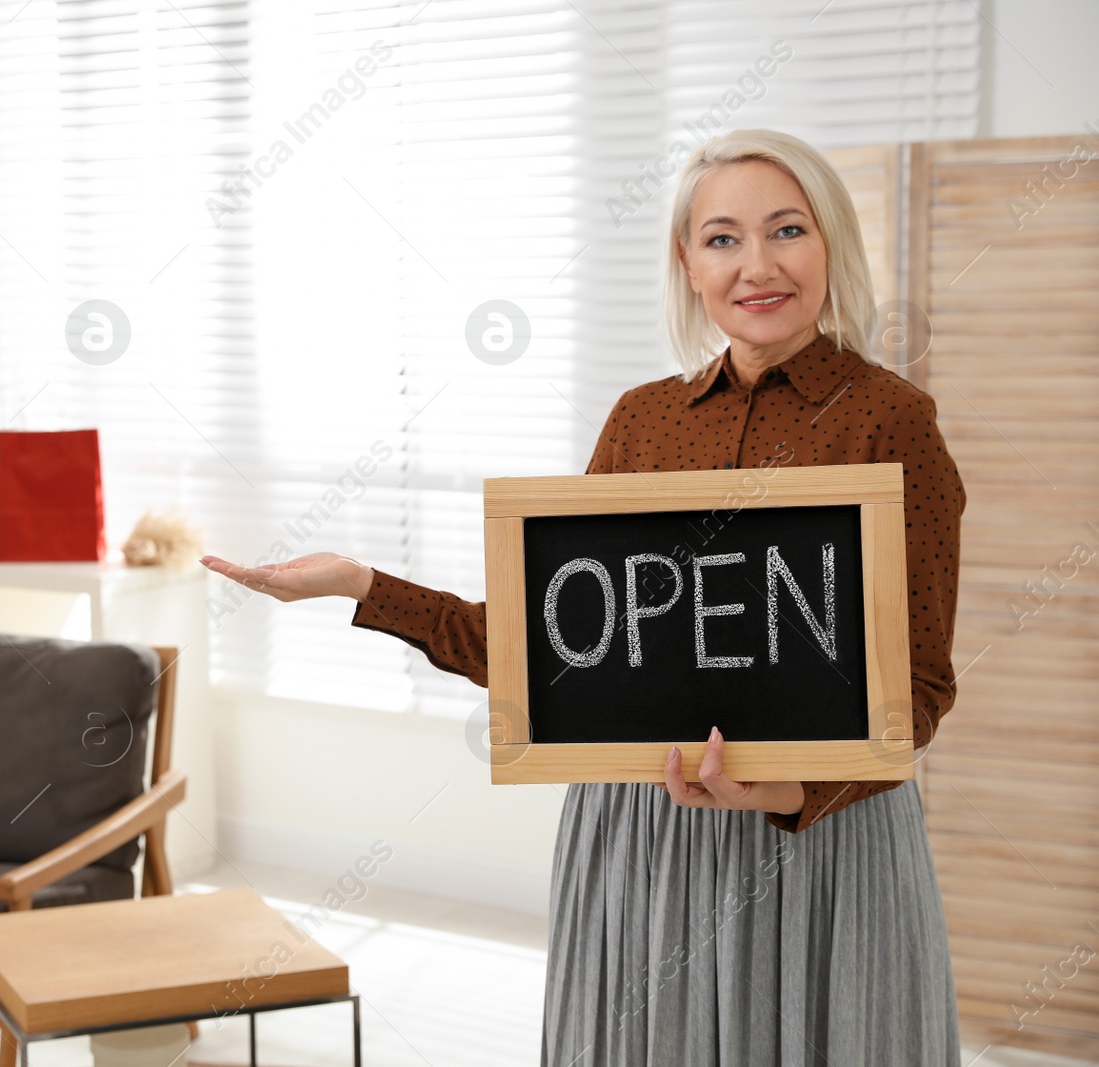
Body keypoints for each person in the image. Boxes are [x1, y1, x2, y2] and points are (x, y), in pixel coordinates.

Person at [201, 128, 966, 1066]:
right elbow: (555, 649)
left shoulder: (891, 418)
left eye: (787, 230)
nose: (756, 265)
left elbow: (919, 688)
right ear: (687, 264)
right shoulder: (642, 421)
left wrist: (787, 788)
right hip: (646, 834)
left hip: (822, 842)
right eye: (722, 238)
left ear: (830, 244)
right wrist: (361, 584)